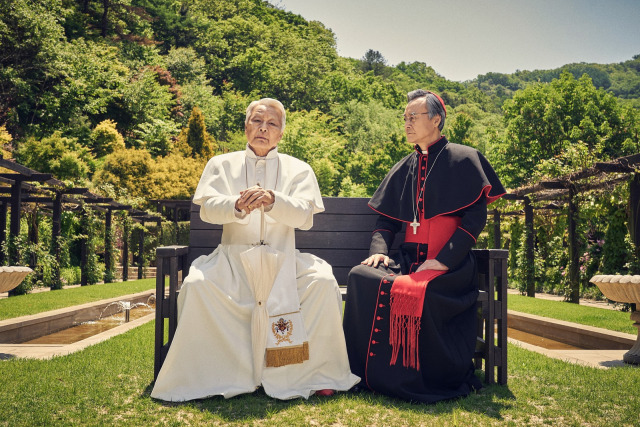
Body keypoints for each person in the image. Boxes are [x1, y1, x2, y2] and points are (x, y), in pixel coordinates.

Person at [151, 98, 359, 401]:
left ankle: (316, 373)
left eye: (272, 123)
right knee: (196, 285)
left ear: (281, 133)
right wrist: (236, 205)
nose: (263, 128)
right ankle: (211, 375)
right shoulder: (220, 165)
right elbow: (208, 209)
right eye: (257, 121)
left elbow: (304, 218)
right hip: (232, 263)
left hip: (284, 263)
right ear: (246, 125)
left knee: (323, 283)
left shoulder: (299, 169)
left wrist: (275, 201)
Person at [343, 89, 505, 403]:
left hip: (450, 264)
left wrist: (443, 261)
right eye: (405, 118)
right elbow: (386, 223)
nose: (407, 123)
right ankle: (366, 373)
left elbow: (474, 219)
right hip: (408, 259)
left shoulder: (464, 158)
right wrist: (379, 250)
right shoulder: (404, 166)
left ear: (436, 120)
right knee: (361, 277)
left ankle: (425, 376)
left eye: (413, 117)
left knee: (424, 290)